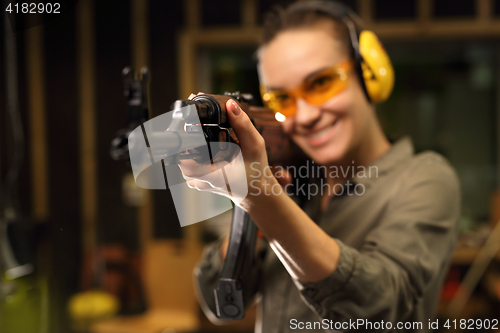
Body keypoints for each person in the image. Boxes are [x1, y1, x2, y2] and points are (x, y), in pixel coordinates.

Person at [184, 1, 461, 332]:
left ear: (369, 73)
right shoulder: (294, 184)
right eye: (282, 99)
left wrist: (262, 197)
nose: (305, 116)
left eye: (321, 83)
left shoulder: (425, 178)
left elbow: (378, 309)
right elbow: (220, 302)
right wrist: (255, 205)